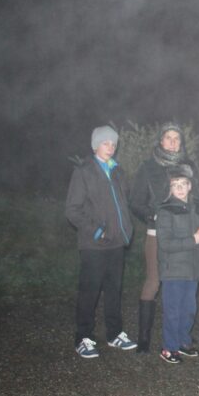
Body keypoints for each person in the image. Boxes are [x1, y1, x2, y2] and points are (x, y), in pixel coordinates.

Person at [129, 123, 199, 353]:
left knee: (185, 284)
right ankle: (144, 337)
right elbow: (135, 201)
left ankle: (182, 335)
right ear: (161, 141)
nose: (172, 142)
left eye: (176, 138)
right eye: (168, 138)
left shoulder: (188, 166)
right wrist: (152, 215)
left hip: (187, 234)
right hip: (157, 233)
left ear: (181, 142)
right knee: (153, 281)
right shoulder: (148, 167)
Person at [65, 126, 136, 358]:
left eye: (113, 143)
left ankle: (115, 333)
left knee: (114, 290)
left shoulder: (118, 171)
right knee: (90, 291)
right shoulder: (84, 171)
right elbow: (72, 210)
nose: (110, 147)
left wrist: (126, 229)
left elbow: (123, 204)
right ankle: (83, 337)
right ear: (95, 145)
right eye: (105, 142)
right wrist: (96, 231)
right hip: (94, 245)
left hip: (117, 242)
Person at [156, 166, 199, 363]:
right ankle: (168, 347)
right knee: (173, 310)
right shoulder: (165, 211)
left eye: (183, 184)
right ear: (170, 189)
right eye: (175, 185)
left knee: (189, 309)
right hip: (173, 271)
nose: (179, 188)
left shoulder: (198, 210)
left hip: (193, 271)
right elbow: (164, 243)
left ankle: (183, 342)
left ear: (190, 186)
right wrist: (191, 240)